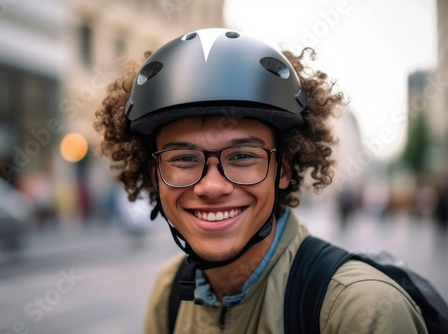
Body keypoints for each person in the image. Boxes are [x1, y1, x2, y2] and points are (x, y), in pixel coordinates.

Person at [94, 28, 428, 333]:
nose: (211, 186)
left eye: (241, 157)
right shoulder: (168, 293)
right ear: (155, 176)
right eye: (183, 159)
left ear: (282, 169)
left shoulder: (360, 311)